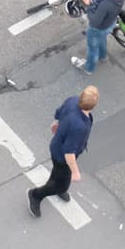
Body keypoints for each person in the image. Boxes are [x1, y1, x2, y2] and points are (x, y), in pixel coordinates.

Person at [27, 86, 96, 216]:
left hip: (56, 146)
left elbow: (59, 112)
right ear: (93, 106)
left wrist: (57, 123)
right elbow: (69, 152)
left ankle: (55, 183)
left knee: (58, 174)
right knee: (62, 185)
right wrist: (75, 172)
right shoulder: (79, 126)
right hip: (62, 157)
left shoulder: (73, 101)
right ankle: (36, 195)